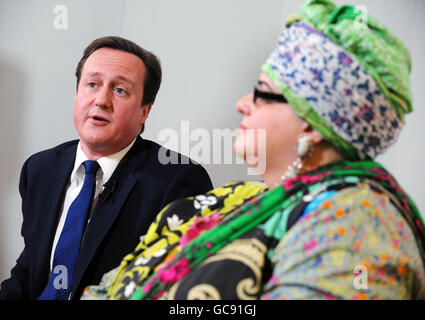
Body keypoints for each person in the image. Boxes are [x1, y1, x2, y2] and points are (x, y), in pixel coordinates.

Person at [81, 0, 425, 300]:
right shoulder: (241, 198)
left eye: (262, 92)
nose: (243, 103)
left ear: (312, 121)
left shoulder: (359, 224)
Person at [0, 36, 213, 300]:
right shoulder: (40, 169)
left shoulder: (177, 180)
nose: (101, 100)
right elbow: (30, 269)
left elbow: (172, 291)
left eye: (120, 90)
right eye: (92, 84)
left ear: (144, 111)